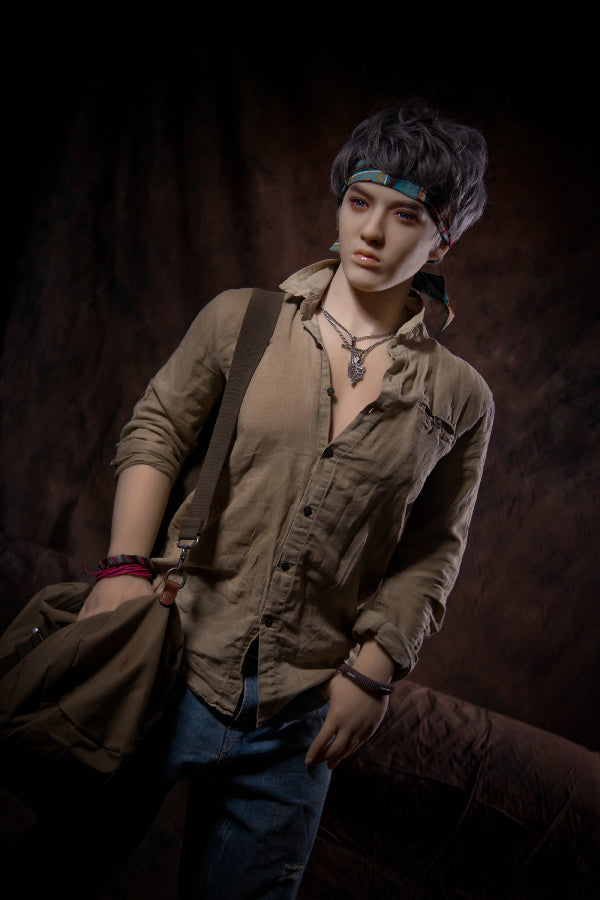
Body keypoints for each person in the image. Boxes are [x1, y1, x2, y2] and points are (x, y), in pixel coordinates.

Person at [76, 101, 493, 898]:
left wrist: (372, 673)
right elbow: (157, 429)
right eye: (359, 201)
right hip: (168, 657)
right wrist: (124, 567)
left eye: (406, 215)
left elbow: (433, 548)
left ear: (444, 239)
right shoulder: (245, 318)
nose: (372, 231)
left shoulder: (459, 397)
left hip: (297, 712)